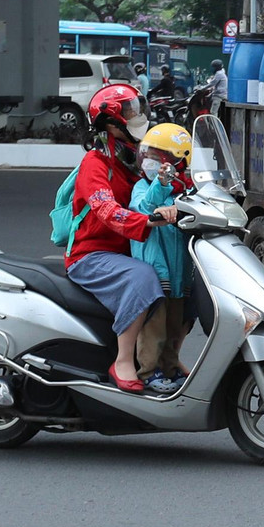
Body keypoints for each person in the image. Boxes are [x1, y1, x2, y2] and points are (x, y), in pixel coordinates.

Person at [65, 85, 178, 392]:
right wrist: (148, 220)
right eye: (129, 113)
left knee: (179, 278)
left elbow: (172, 179)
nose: (136, 116)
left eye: (136, 109)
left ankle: (167, 359)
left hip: (126, 250)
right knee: (143, 276)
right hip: (91, 255)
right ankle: (124, 360)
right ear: (111, 125)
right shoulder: (96, 163)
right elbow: (106, 210)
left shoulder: (135, 158)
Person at [129, 123, 195, 394]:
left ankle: (169, 368)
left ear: (179, 163)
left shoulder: (186, 191)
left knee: (176, 325)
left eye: (159, 159)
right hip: (155, 270)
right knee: (155, 325)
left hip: (180, 272)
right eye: (148, 156)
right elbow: (143, 209)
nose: (150, 163)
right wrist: (161, 184)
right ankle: (148, 372)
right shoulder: (142, 187)